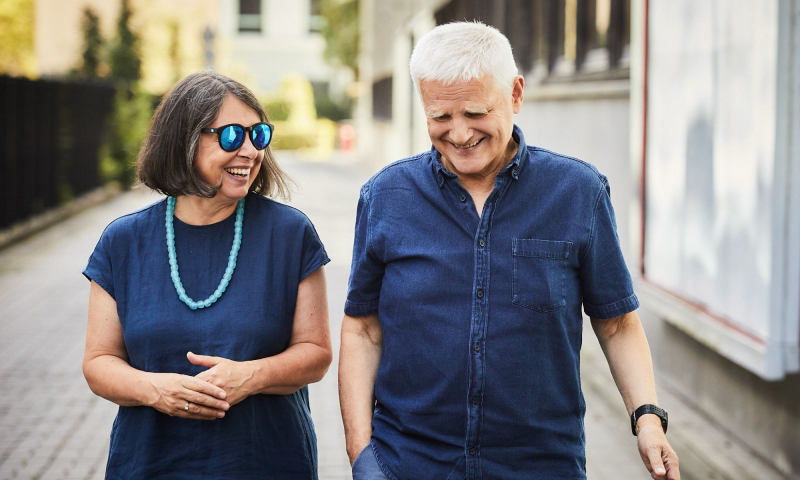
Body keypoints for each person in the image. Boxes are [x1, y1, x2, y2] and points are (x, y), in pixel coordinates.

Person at [339, 22, 680, 480]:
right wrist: (361, 456)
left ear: (515, 94)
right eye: (440, 116)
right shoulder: (385, 196)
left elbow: (617, 323)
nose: (458, 134)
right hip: (411, 464)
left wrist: (647, 419)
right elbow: (362, 329)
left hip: (541, 466)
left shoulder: (578, 192)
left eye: (475, 113)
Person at [82, 71, 332, 479]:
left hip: (265, 463)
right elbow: (98, 362)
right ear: (183, 141)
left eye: (259, 135)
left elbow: (316, 355)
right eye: (232, 136)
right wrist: (155, 389)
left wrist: (250, 377)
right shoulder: (123, 241)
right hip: (149, 464)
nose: (250, 151)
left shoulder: (290, 234)